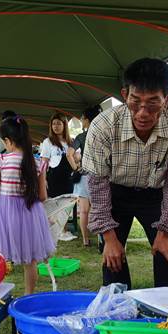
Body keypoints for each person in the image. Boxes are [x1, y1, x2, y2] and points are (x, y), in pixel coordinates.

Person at [82, 58, 168, 289]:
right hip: (115, 193)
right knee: (112, 258)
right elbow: (97, 184)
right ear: (125, 94)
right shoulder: (103, 126)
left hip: (156, 194)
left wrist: (166, 232)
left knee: (167, 254)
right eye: (135, 102)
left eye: (153, 103)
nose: (143, 113)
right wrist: (109, 237)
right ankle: (118, 314)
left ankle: (166, 317)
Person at [0, 115, 54, 294]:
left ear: (8, 141)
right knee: (30, 259)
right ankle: (28, 294)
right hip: (31, 213)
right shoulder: (37, 162)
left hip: (5, 213)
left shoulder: (1, 160)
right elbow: (43, 196)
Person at [68, 105, 102, 247]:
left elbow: (69, 153)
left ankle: (85, 240)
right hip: (100, 175)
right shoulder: (102, 133)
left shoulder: (81, 136)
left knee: (84, 211)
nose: (82, 121)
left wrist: (76, 168)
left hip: (84, 176)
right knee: (101, 210)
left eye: (82, 118)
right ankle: (102, 240)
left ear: (87, 120)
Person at [40, 112, 74, 198]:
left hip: (68, 179)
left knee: (68, 205)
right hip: (54, 179)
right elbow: (44, 163)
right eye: (53, 124)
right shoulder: (48, 141)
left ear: (64, 125)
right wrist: (43, 180)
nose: (55, 126)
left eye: (59, 124)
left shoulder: (71, 142)